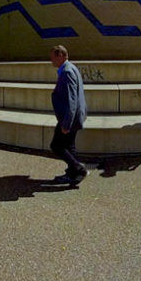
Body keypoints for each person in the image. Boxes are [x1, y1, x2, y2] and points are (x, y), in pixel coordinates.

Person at [49, 45, 87, 184]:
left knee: (56, 146)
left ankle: (79, 169)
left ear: (61, 56)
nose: (51, 60)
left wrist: (66, 124)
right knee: (70, 146)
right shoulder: (70, 68)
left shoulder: (67, 71)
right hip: (73, 116)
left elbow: (72, 99)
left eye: (53, 57)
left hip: (69, 117)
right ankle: (73, 175)